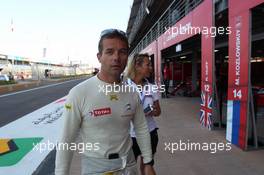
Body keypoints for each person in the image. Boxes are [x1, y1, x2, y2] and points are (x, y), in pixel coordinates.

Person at [55, 29, 156, 175]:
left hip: (128, 166)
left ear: (127, 57)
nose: (116, 57)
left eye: (122, 52)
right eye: (109, 52)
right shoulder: (79, 93)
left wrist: (148, 162)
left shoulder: (132, 92)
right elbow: (67, 139)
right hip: (95, 168)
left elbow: (141, 128)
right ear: (99, 57)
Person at [125, 53, 161, 175]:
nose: (151, 67)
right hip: (130, 136)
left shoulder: (152, 87)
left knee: (147, 166)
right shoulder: (123, 87)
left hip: (150, 132)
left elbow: (158, 112)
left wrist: (152, 111)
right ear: (137, 66)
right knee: (130, 169)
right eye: (148, 64)